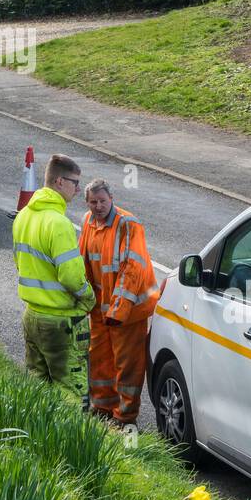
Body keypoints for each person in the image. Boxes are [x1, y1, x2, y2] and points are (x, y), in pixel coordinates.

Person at [12, 154, 96, 399]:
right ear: (60, 182)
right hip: (62, 321)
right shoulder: (59, 223)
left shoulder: (24, 216)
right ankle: (70, 439)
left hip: (32, 315)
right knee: (70, 391)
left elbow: (20, 263)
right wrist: (89, 298)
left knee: (38, 389)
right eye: (75, 182)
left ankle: (39, 437)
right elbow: (71, 277)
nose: (78, 189)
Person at [79, 178, 159, 427]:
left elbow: (131, 269)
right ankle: (103, 407)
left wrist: (118, 310)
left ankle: (125, 417)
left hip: (128, 310)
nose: (98, 206)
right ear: (87, 203)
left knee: (128, 364)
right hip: (101, 309)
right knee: (100, 359)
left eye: (102, 201)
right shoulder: (88, 221)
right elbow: (83, 261)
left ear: (111, 199)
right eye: (93, 202)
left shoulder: (128, 224)